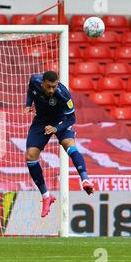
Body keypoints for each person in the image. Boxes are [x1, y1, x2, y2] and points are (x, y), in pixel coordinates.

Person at [25, 71, 94, 218]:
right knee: (31, 156)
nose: (51, 90)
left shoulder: (63, 94)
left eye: (54, 87)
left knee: (69, 144)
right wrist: (28, 103)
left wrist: (56, 128)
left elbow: (71, 119)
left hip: (61, 120)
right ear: (43, 83)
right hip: (42, 120)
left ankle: (85, 179)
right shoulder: (35, 80)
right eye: (49, 87)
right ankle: (46, 196)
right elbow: (31, 89)